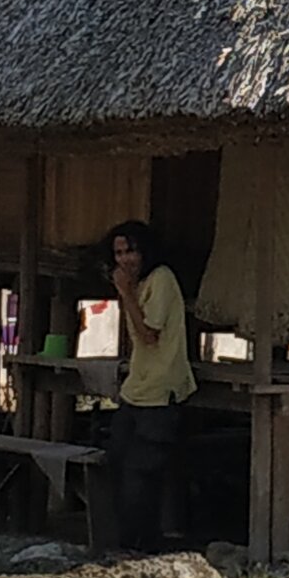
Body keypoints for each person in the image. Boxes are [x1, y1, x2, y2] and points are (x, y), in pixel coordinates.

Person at [103, 219, 194, 550]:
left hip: (161, 393)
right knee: (116, 465)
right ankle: (131, 540)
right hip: (136, 391)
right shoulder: (139, 284)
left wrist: (125, 293)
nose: (125, 259)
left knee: (139, 474)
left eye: (131, 251)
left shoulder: (161, 280)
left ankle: (136, 545)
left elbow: (148, 334)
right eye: (119, 253)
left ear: (145, 251)